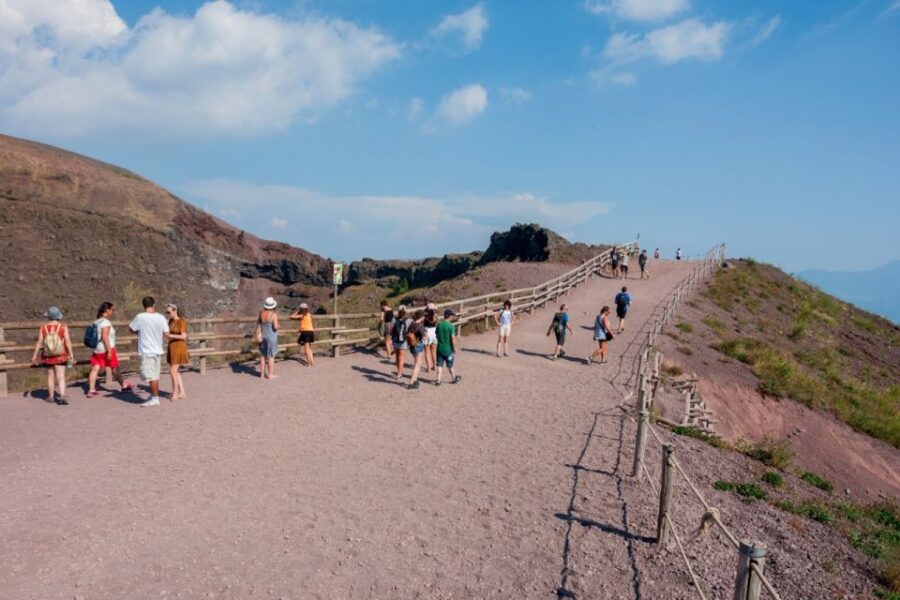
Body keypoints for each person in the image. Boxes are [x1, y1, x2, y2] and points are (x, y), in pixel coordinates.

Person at [129, 296, 169, 407]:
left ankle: (155, 399)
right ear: (154, 305)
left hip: (146, 351)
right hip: (157, 350)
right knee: (154, 375)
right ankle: (154, 396)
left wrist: (140, 333)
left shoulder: (140, 317)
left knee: (151, 377)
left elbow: (131, 329)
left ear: (144, 306)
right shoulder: (161, 317)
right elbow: (166, 332)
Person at [86, 302, 132, 398]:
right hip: (106, 349)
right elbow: (105, 337)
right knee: (115, 368)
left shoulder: (96, 321)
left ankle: (91, 390)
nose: (113, 312)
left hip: (97, 349)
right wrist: (109, 351)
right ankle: (123, 386)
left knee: (95, 368)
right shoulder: (105, 322)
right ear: (107, 310)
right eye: (112, 310)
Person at [31, 306, 74, 405]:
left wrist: (34, 355)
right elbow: (67, 341)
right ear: (58, 316)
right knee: (61, 376)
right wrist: (71, 354)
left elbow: (39, 342)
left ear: (48, 316)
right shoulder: (63, 326)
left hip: (48, 355)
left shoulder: (43, 327)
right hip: (61, 355)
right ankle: (62, 395)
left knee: (50, 375)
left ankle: (51, 396)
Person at [165, 303, 189, 400]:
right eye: (166, 312)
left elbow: (184, 336)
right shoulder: (170, 321)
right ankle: (182, 392)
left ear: (175, 311)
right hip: (172, 347)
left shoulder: (181, 321)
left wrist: (171, 336)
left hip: (179, 347)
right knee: (175, 371)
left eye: (169, 312)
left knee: (173, 371)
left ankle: (175, 392)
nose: (167, 314)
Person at [435, 309, 462, 385]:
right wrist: (454, 348)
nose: (452, 317)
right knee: (450, 365)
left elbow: (436, 336)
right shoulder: (451, 326)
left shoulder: (439, 325)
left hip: (439, 348)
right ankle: (453, 378)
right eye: (452, 316)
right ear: (449, 316)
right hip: (448, 349)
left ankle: (438, 380)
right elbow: (453, 338)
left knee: (439, 365)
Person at [258, 297, 280, 379]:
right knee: (271, 356)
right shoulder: (273, 315)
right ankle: (270, 374)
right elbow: (275, 327)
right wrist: (279, 326)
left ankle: (262, 375)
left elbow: (260, 323)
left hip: (263, 337)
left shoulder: (261, 313)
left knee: (263, 355)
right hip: (271, 337)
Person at [406, 310, 428, 389]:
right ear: (421, 317)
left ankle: (415, 380)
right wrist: (426, 333)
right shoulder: (420, 326)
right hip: (418, 345)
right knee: (417, 364)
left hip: (411, 346)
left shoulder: (411, 324)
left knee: (417, 362)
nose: (425, 317)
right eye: (424, 316)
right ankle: (411, 382)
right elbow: (424, 338)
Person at [290, 302, 315, 367]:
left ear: (301, 309)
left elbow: (291, 316)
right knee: (309, 348)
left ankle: (309, 363)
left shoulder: (302, 315)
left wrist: (297, 312)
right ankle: (312, 361)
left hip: (305, 332)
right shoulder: (309, 315)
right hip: (311, 331)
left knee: (306, 349)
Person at [391, 305, 410, 380]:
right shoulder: (408, 320)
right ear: (405, 312)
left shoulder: (394, 320)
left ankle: (399, 372)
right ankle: (400, 373)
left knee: (397, 357)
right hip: (403, 341)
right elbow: (408, 331)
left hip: (395, 340)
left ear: (398, 312)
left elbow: (391, 330)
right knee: (401, 358)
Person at [423, 303, 439, 372]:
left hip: (426, 332)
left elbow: (422, 325)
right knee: (433, 351)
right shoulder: (436, 317)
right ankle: (434, 366)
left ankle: (428, 368)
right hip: (434, 333)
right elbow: (436, 324)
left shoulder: (425, 317)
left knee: (427, 352)